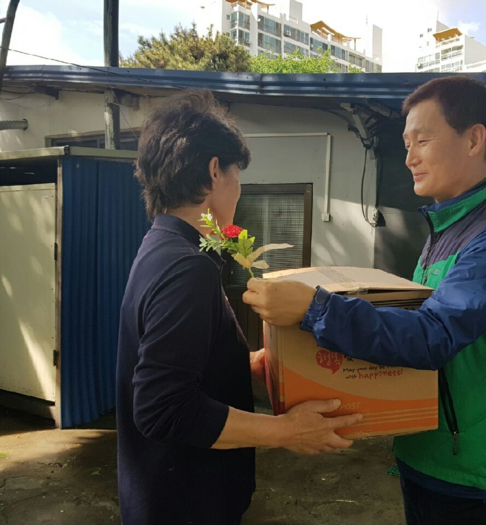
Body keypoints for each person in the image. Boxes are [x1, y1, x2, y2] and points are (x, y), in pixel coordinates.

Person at [243, 76, 486, 525]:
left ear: (473, 140)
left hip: (471, 480)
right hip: (421, 452)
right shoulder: (446, 229)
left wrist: (314, 308)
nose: (409, 158)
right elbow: (402, 331)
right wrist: (290, 361)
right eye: (406, 145)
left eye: (422, 140)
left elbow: (430, 337)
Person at [115, 91, 362, 525]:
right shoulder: (186, 267)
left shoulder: (161, 247)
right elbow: (162, 407)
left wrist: (243, 363)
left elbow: (172, 362)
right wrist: (286, 430)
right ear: (214, 171)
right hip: (187, 505)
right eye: (237, 175)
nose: (239, 189)